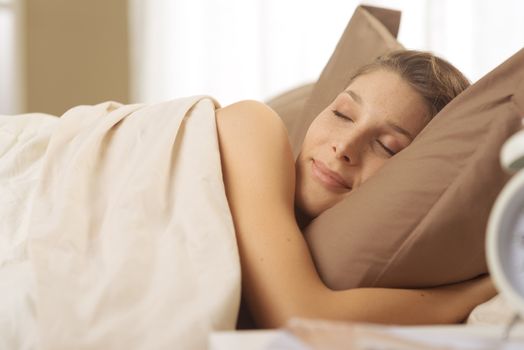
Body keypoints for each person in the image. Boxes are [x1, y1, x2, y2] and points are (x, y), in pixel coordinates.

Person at [215, 50, 497, 329]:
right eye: (342, 114)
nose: (345, 147)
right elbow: (301, 317)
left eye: (386, 146)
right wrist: (480, 290)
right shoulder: (252, 125)